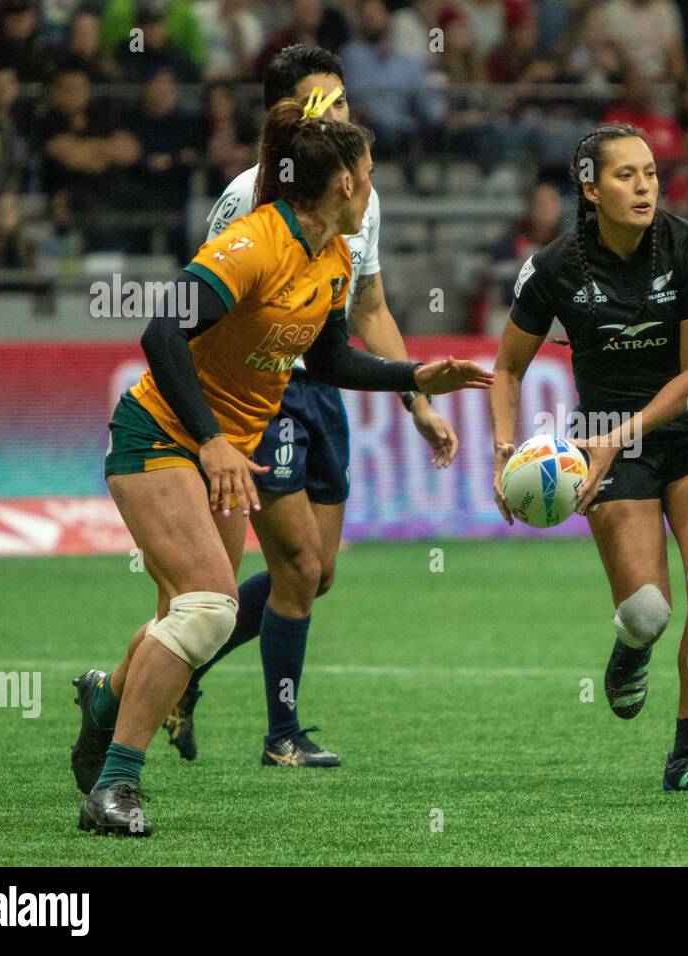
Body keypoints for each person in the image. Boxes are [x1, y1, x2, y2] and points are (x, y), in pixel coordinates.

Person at [70, 98, 492, 836]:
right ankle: (116, 788)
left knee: (191, 614)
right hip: (162, 438)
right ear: (342, 187)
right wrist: (209, 440)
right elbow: (160, 327)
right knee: (209, 609)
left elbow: (327, 358)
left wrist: (415, 379)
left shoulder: (332, 256)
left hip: (230, 451)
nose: (372, 188)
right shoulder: (257, 242)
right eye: (367, 175)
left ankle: (107, 700)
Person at [163, 44, 458, 767]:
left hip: (324, 384)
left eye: (344, 104)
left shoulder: (363, 195)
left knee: (319, 573)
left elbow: (370, 303)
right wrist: (216, 424)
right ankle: (280, 736)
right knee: (292, 567)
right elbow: (199, 315)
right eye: (322, 106)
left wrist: (414, 395)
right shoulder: (246, 198)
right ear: (284, 117)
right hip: (267, 393)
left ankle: (178, 670)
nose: (340, 118)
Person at [490, 123, 688, 794]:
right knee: (648, 614)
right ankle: (631, 649)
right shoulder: (554, 268)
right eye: (627, 175)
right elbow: (507, 370)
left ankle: (687, 757)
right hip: (604, 439)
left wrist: (617, 434)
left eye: (652, 173)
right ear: (590, 188)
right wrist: (504, 451)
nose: (644, 186)